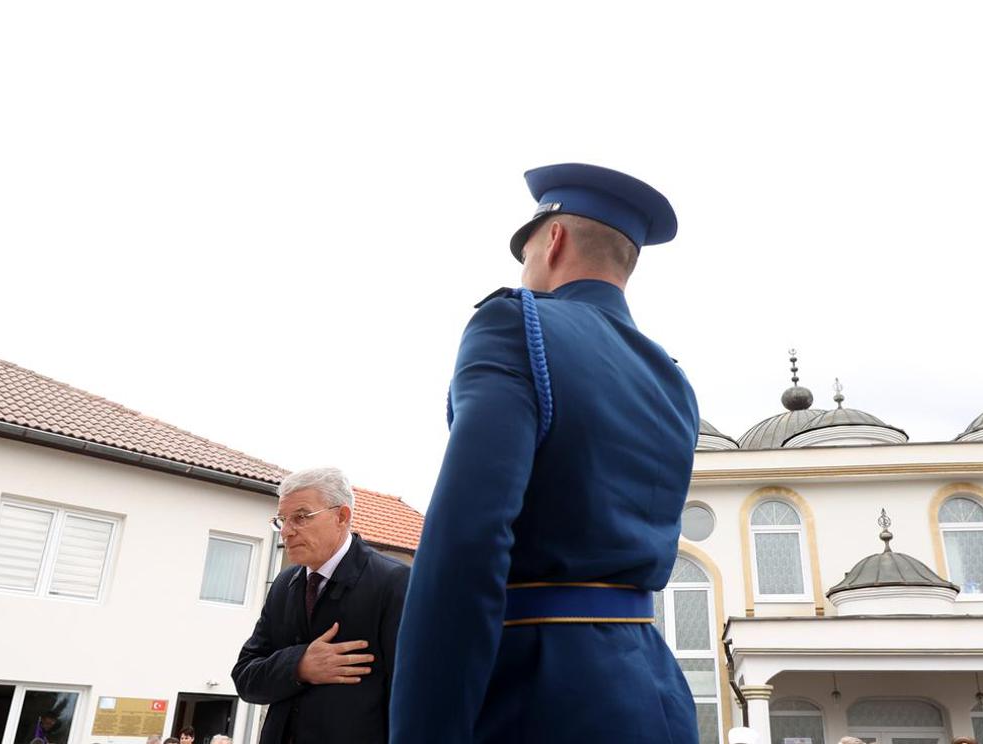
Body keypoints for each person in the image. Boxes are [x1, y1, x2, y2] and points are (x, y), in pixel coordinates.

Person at [389, 163, 701, 742]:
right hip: (654, 694)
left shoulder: (514, 322)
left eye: (524, 251)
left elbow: (467, 538)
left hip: (539, 695)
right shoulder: (673, 378)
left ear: (552, 239)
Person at [233, 467, 410, 744]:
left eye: (301, 517)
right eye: (282, 520)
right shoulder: (282, 585)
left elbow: (411, 694)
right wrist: (299, 665)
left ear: (341, 516)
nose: (287, 532)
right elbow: (245, 678)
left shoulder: (393, 583)